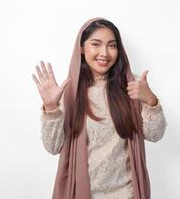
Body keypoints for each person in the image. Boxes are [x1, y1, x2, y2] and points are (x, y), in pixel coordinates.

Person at [32, 17, 167, 199]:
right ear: (82, 48)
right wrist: (51, 107)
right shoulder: (69, 93)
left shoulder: (133, 86)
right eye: (96, 44)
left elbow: (155, 135)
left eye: (112, 45)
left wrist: (150, 101)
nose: (104, 53)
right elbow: (53, 147)